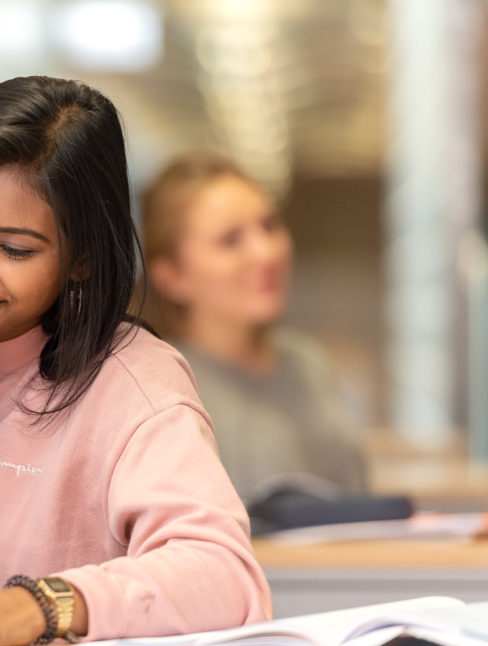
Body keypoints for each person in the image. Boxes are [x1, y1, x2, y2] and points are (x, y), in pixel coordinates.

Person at [0, 76, 271, 646]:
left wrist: (35, 606)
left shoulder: (134, 384)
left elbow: (226, 578)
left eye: (14, 249)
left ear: (83, 260)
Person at [139, 150, 367, 506]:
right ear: (171, 276)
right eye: (230, 240)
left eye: (270, 226)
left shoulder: (307, 364)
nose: (265, 252)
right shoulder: (159, 388)